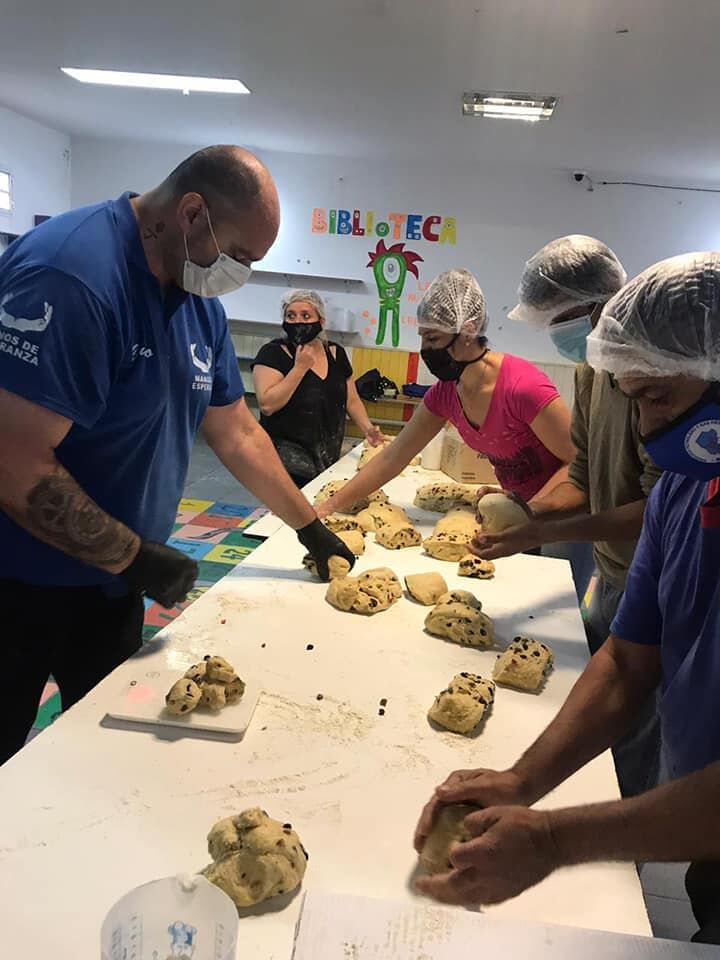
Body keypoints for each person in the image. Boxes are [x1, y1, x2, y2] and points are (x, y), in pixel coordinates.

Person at [0, 145, 353, 765]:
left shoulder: (196, 303)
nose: (240, 273)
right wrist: (134, 556)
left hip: (110, 586)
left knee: (103, 754)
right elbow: (14, 459)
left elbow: (238, 432)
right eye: (240, 256)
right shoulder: (73, 276)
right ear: (191, 212)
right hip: (18, 582)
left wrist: (311, 528)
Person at [413, 252, 720, 945]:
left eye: (660, 398)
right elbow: (627, 661)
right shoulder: (682, 486)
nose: (645, 430)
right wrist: (521, 781)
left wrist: (553, 840)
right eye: (632, 398)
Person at [471, 235, 663, 797]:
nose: (557, 335)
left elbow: (656, 511)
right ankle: (577, 799)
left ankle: (621, 844)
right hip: (611, 572)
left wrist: (547, 529)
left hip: (655, 582)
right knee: (593, 699)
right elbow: (582, 475)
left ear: (600, 305)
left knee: (632, 723)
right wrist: (526, 514)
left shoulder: (650, 382)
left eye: (560, 319)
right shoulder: (590, 373)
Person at [317, 268, 575, 517]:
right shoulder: (446, 393)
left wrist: (531, 513)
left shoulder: (522, 388)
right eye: (422, 338)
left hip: (560, 517)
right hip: (520, 515)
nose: (425, 350)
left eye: (433, 339)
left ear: (468, 331)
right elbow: (394, 457)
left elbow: (578, 462)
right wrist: (330, 506)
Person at [252, 289, 383, 487]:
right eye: (291, 315)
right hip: (283, 460)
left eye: (306, 316)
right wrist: (299, 368)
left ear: (321, 321)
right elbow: (268, 404)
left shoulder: (335, 352)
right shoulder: (272, 353)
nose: (298, 322)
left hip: (326, 455)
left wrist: (368, 429)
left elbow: (351, 399)